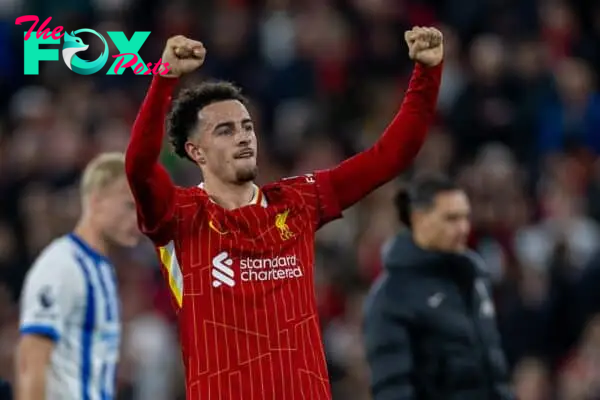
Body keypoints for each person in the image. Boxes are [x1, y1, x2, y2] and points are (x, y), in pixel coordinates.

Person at [125, 26, 443, 399]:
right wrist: (164, 79)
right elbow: (138, 166)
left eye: (247, 127)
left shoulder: (297, 201)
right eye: (225, 131)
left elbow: (391, 156)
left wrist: (427, 71)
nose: (244, 137)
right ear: (196, 152)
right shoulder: (178, 215)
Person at [362, 175, 513, 400]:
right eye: (451, 219)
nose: (463, 228)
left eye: (465, 218)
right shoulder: (392, 295)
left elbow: (494, 372)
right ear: (419, 219)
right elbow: (392, 387)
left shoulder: (474, 280)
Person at [15, 152, 140, 400]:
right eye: (129, 205)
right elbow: (31, 362)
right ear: (96, 201)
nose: (138, 219)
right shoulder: (62, 265)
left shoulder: (103, 271)